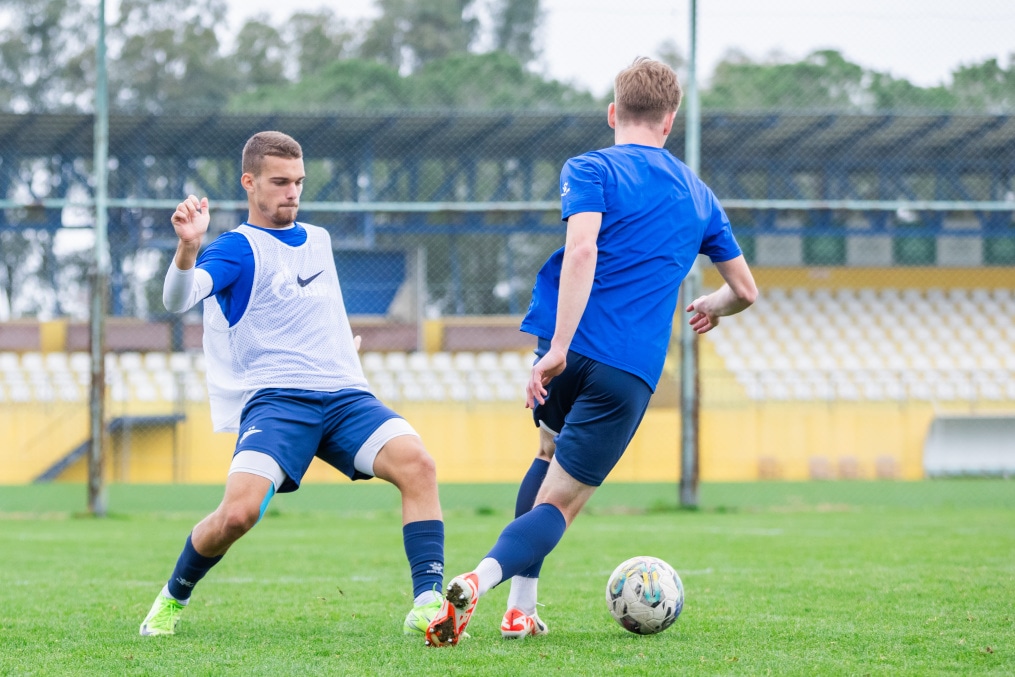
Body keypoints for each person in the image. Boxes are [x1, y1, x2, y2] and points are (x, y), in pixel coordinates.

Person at [424, 57, 757, 647]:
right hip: (627, 368)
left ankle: (520, 612)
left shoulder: (589, 167)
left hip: (568, 348)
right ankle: (480, 582)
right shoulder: (700, 196)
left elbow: (582, 251)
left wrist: (556, 349)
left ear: (612, 113)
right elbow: (746, 291)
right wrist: (712, 304)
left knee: (546, 451)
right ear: (670, 121)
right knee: (563, 503)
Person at [140, 131, 446, 638]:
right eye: (280, 182)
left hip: (345, 396)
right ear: (250, 182)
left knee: (420, 465)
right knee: (238, 515)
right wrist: (188, 247)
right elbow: (178, 300)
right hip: (278, 401)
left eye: (299, 182)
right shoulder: (237, 248)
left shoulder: (320, 240)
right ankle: (172, 597)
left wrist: (343, 353)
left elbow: (318, 314)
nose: (292, 192)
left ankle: (429, 604)